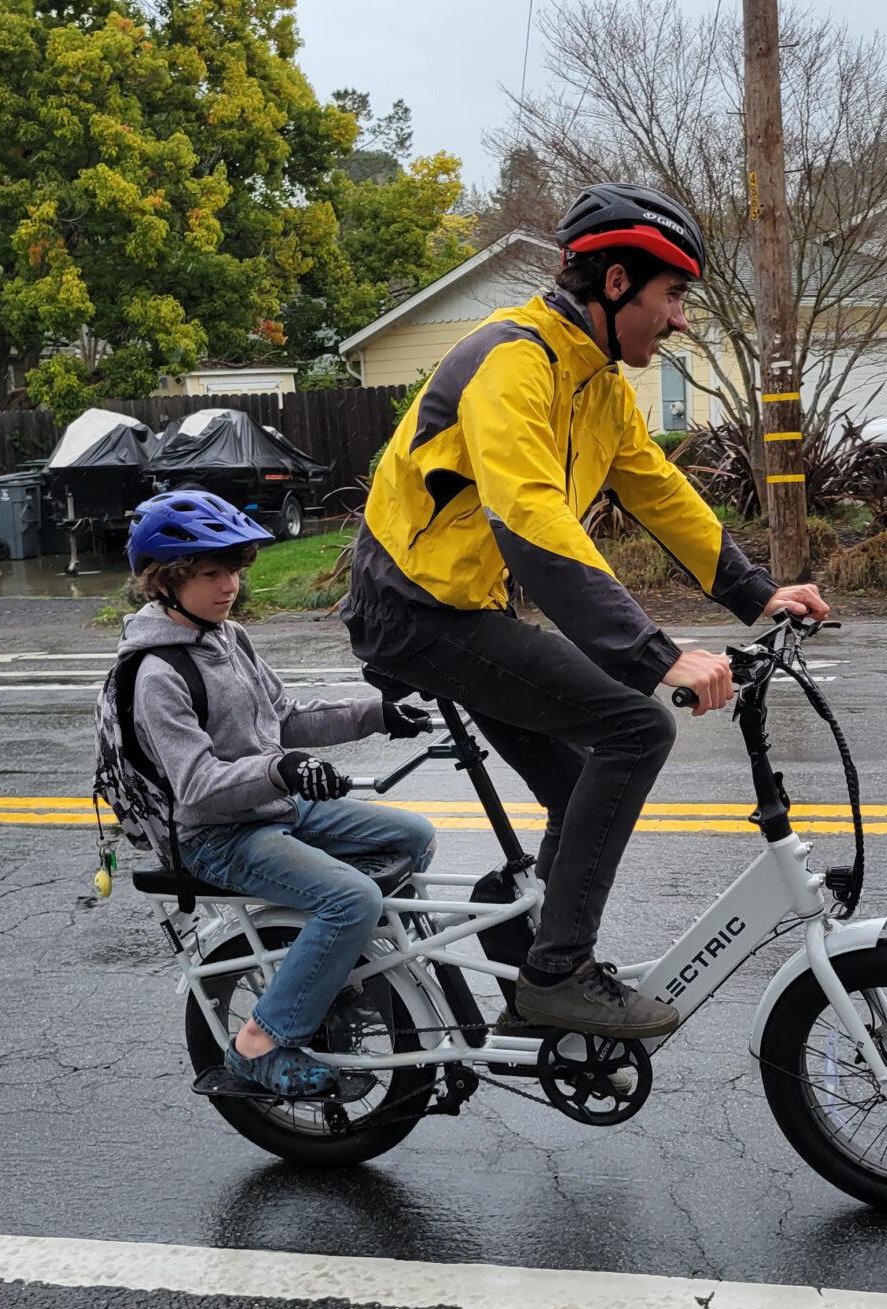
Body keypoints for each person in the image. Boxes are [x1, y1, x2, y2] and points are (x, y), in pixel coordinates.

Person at [340, 183, 827, 1041]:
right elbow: (531, 516)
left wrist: (755, 591)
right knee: (636, 728)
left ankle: (523, 933)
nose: (678, 320)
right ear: (613, 285)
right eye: (670, 296)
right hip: (413, 613)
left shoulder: (595, 381)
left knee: (577, 784)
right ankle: (557, 974)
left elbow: (659, 489)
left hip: (463, 606)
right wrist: (654, 655)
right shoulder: (512, 362)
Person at [121, 491, 437, 1097]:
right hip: (217, 833)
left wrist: (378, 713)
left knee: (413, 836)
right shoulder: (158, 675)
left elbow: (285, 720)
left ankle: (350, 970)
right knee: (351, 899)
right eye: (211, 573)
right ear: (166, 581)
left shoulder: (229, 638)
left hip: (275, 806)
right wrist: (283, 771)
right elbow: (197, 785)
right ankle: (259, 1045)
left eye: (235, 570)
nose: (229, 585)